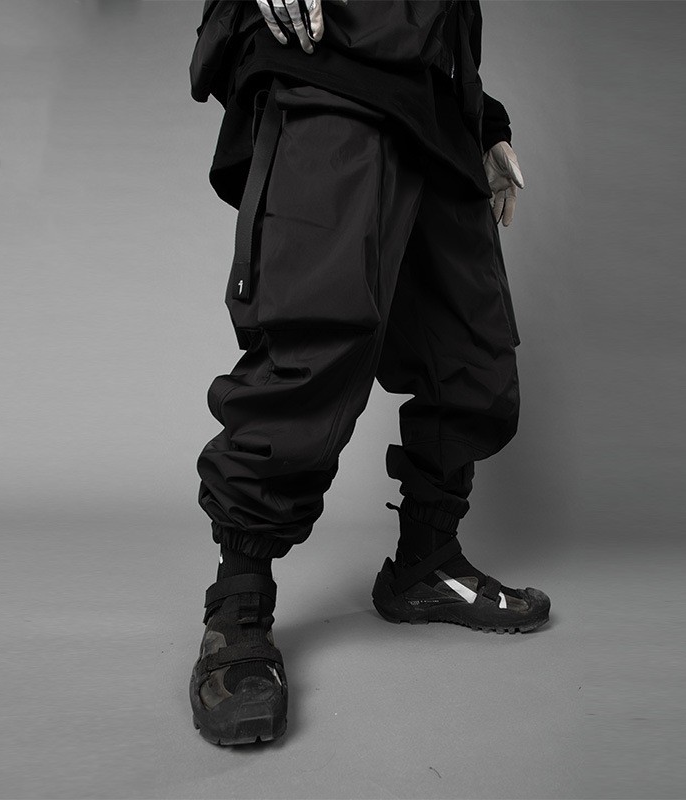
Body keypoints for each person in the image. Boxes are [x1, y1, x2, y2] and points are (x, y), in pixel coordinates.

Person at [187, 0, 551, 746]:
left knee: (472, 356)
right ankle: (238, 604)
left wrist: (483, 118)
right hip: (332, 68)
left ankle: (426, 564)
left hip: (439, 104)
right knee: (315, 336)